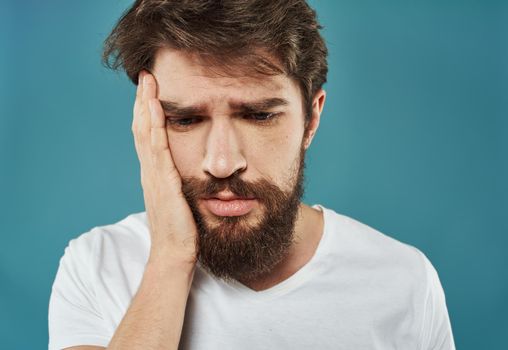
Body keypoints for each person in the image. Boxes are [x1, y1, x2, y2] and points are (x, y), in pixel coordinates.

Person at [48, 1, 456, 349]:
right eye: (185, 119)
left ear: (311, 118)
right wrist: (171, 256)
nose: (223, 163)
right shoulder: (96, 266)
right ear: (146, 121)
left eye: (259, 115)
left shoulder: (403, 281)